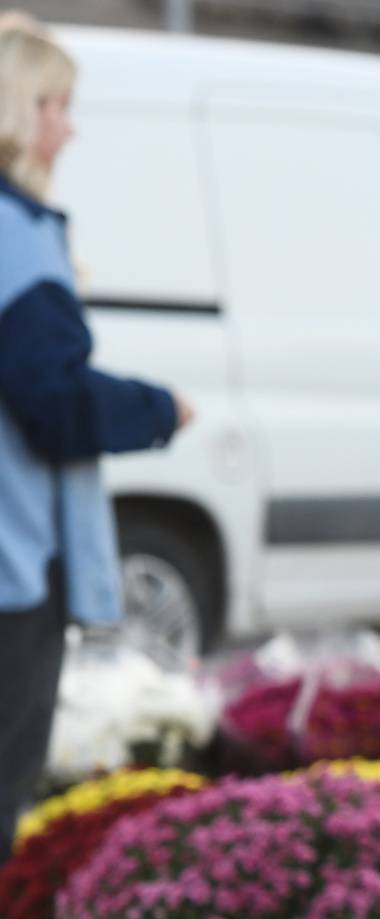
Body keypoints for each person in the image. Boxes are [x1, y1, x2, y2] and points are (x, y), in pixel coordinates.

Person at [0, 14, 191, 857]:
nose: (69, 127)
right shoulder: (17, 237)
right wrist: (159, 409)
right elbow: (55, 399)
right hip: (13, 569)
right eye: (59, 106)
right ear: (22, 107)